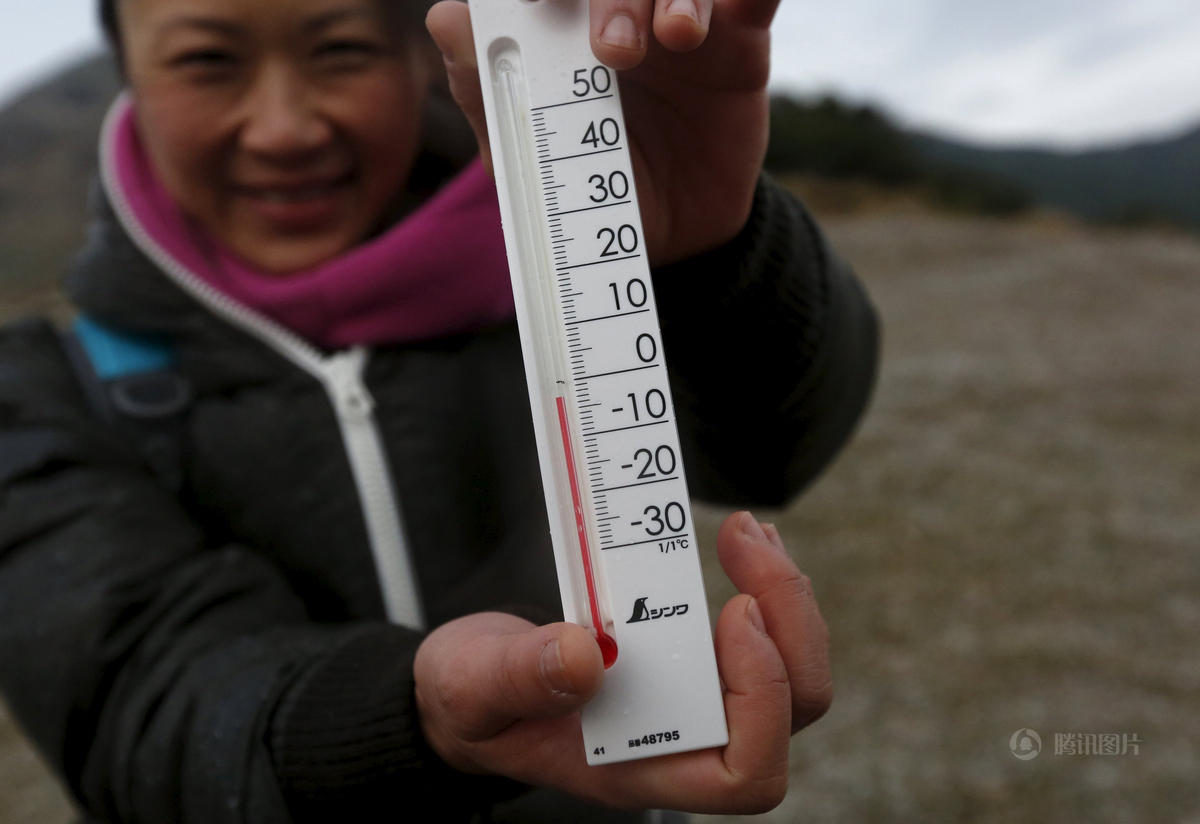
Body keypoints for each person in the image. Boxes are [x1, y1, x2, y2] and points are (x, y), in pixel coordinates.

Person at [0, 0, 879, 821]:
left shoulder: (561, 258)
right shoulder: (46, 387)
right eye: (207, 61)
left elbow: (777, 453)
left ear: (417, 58)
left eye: (339, 50)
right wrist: (410, 722)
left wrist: (711, 250)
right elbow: (138, 708)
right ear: (127, 77)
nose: (286, 129)